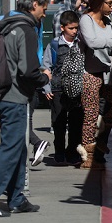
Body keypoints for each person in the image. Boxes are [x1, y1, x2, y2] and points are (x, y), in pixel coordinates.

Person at [0, 0, 52, 218]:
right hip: (15, 96)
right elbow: (28, 70)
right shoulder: (26, 29)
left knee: (18, 147)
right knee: (10, 148)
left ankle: (16, 198)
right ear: (34, 4)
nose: (45, 14)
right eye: (44, 8)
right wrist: (44, 77)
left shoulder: (4, 23)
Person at [78, 0, 112, 169]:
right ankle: (88, 156)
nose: (111, 7)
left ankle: (103, 134)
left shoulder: (109, 21)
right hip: (90, 73)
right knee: (91, 114)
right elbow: (92, 42)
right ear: (99, 3)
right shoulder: (86, 19)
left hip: (107, 73)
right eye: (109, 3)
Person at [41, 10, 85, 166]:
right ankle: (59, 151)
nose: (74, 31)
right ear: (62, 28)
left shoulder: (81, 44)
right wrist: (47, 88)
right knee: (58, 123)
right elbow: (47, 67)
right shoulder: (54, 45)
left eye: (76, 28)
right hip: (58, 90)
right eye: (71, 28)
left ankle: (72, 152)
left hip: (77, 91)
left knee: (75, 123)